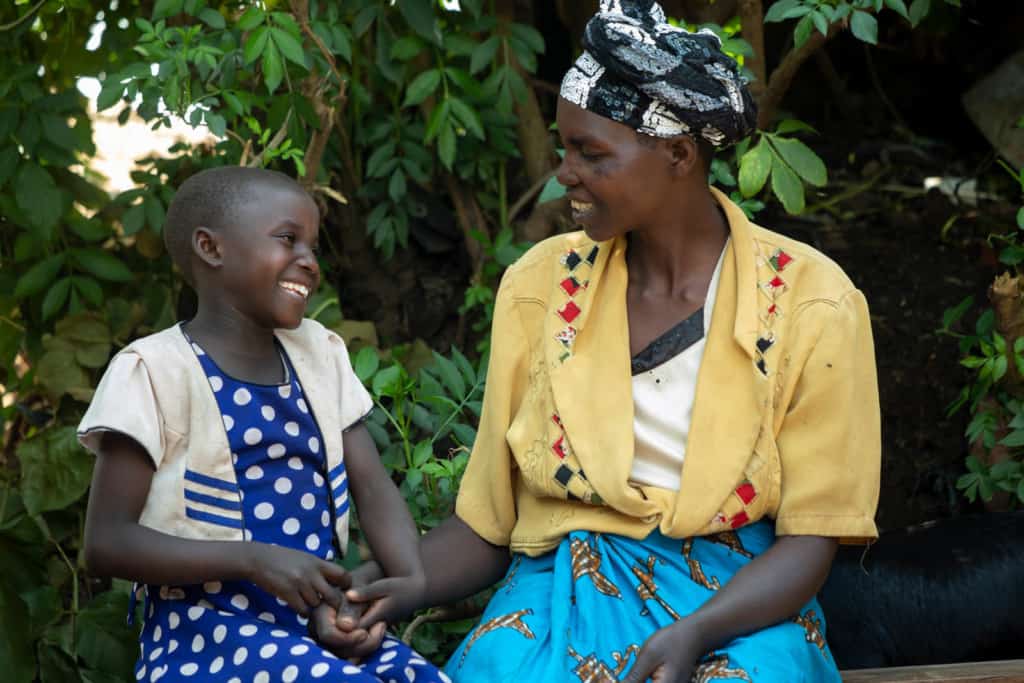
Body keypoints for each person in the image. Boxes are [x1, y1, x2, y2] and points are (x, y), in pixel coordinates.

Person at [329, 1, 881, 682]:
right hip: (562, 591)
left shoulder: (811, 303)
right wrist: (391, 585)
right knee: (505, 665)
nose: (565, 173)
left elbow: (811, 538)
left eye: (592, 153)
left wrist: (697, 632)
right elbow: (489, 524)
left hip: (740, 603)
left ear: (678, 154)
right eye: (564, 148)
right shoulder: (538, 285)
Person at [79, 166, 450, 683]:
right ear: (211, 248)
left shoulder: (320, 355)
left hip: (314, 623)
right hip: (206, 636)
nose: (309, 262)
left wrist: (382, 593)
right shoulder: (154, 372)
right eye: (287, 239)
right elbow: (106, 543)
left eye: (313, 246)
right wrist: (252, 560)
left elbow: (373, 487)